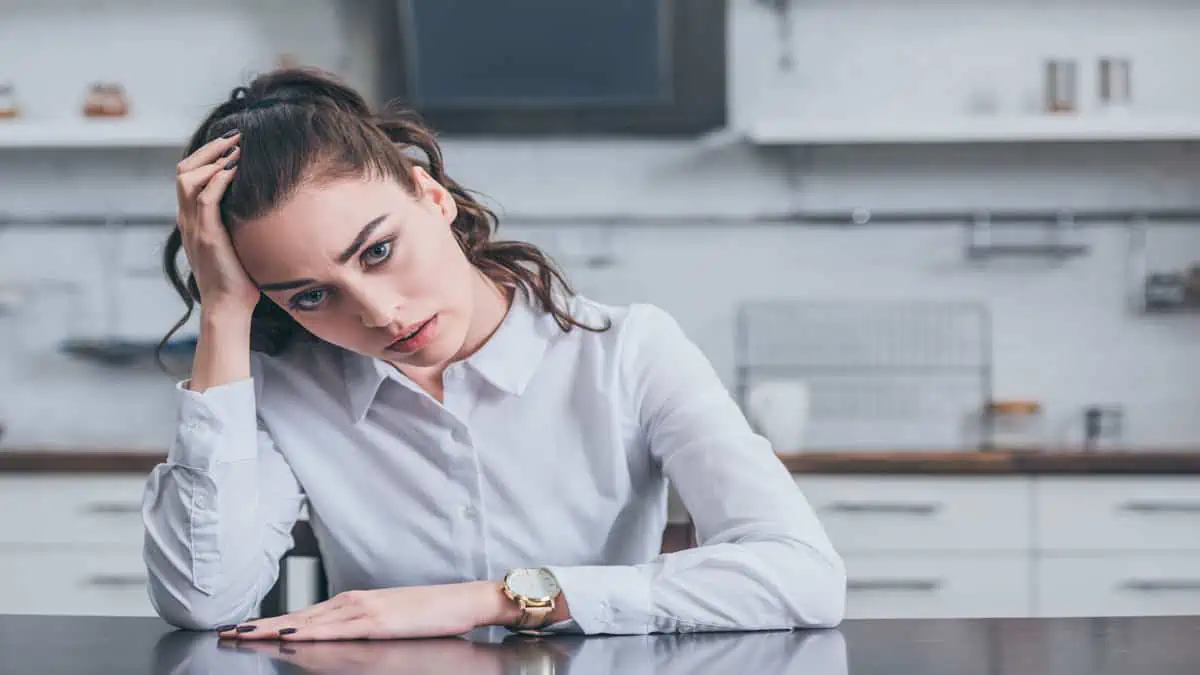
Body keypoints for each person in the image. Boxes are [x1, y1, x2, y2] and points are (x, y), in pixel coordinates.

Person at [141, 66, 845, 641]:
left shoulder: (627, 351)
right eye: (310, 297)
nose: (380, 313)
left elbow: (802, 574)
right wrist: (224, 315)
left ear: (431, 194)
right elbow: (205, 598)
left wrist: (495, 600)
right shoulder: (287, 388)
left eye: (379, 251)